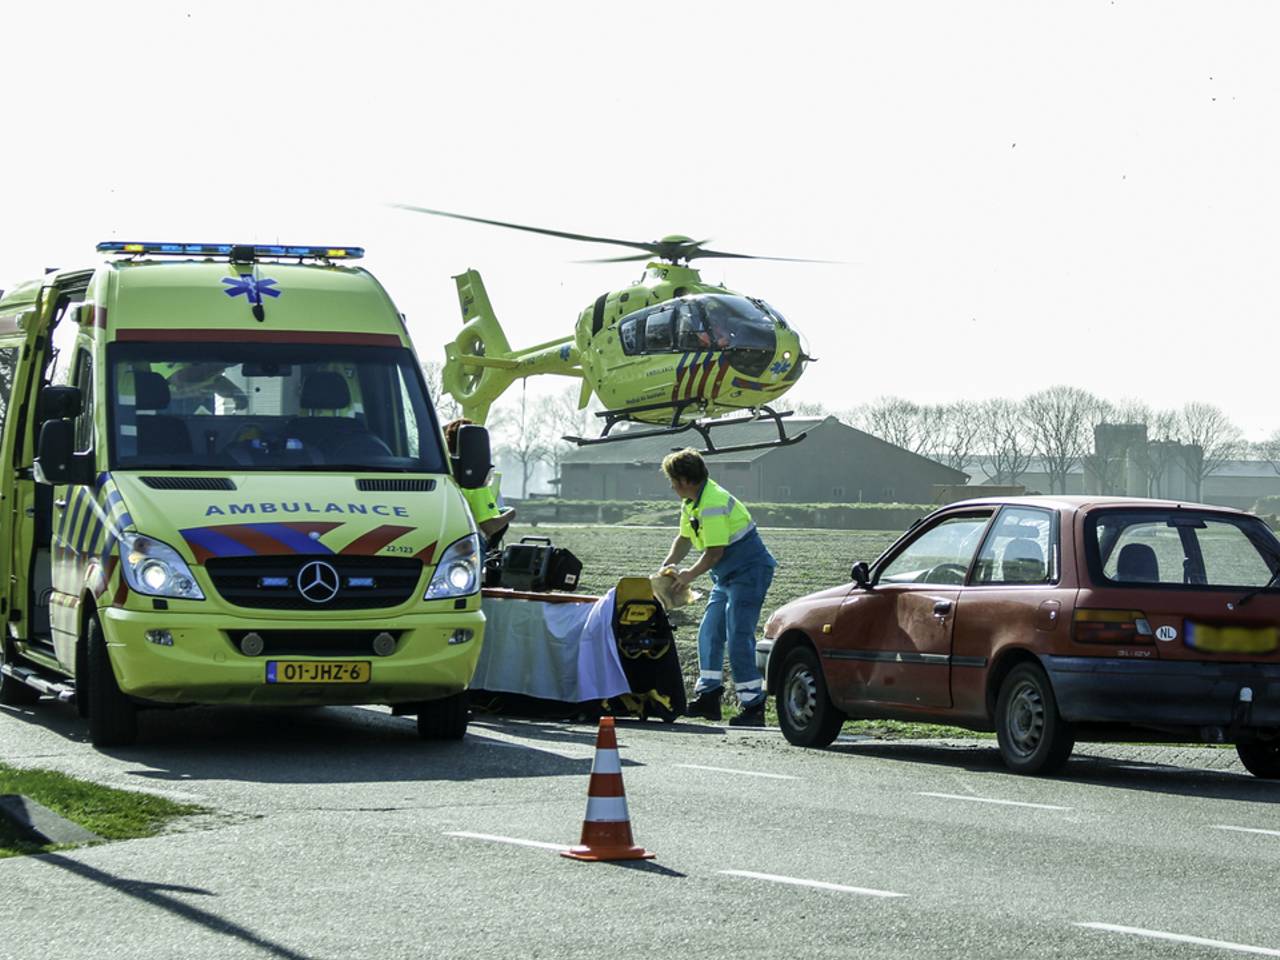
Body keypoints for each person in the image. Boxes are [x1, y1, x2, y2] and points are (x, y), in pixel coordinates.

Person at [658, 448, 775, 726]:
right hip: (726, 576)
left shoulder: (712, 502)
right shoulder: (692, 501)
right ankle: (709, 698)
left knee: (738, 636)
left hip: (748, 573)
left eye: (673, 480)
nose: (671, 486)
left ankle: (753, 705)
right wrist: (668, 564)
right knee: (709, 632)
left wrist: (687, 576)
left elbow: (714, 553)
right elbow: (684, 538)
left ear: (685, 480)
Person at [443, 417, 515, 551]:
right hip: (466, 547)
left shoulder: (441, 472)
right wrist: (511, 513)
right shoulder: (474, 479)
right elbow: (489, 527)